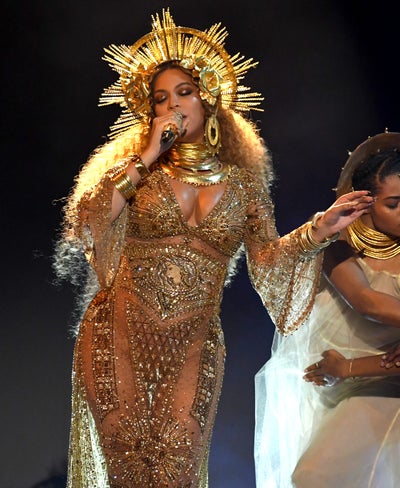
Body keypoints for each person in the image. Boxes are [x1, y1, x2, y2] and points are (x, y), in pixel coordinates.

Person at [54, 10, 372, 487]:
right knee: (130, 467)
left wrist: (319, 229)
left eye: (183, 92)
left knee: (176, 467)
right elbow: (91, 220)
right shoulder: (140, 173)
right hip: (118, 333)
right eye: (161, 99)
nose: (173, 106)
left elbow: (268, 263)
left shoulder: (244, 187)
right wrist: (148, 154)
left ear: (208, 98)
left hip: (195, 343)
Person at [254, 131, 400, 488]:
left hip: (384, 388)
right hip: (345, 388)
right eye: (394, 204)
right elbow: (368, 303)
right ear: (365, 203)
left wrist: (348, 368)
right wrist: (345, 371)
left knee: (316, 477)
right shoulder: (338, 244)